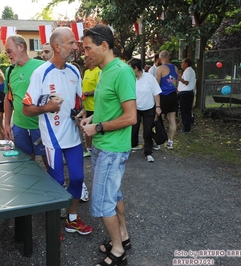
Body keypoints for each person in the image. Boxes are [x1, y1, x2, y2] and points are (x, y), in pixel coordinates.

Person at [22, 27, 93, 239]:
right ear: (57, 46)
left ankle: (72, 221)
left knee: (78, 178)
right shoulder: (40, 73)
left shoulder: (74, 71)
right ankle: (53, 224)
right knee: (56, 180)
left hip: (72, 134)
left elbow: (79, 102)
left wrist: (81, 112)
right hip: (52, 137)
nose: (75, 47)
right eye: (71, 43)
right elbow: (26, 108)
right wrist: (47, 108)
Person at [80, 24, 136, 266]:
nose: (85, 54)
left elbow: (131, 117)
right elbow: (109, 109)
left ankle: (117, 252)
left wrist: (98, 128)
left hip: (113, 148)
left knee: (103, 201)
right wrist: (92, 118)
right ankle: (122, 237)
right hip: (103, 146)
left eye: (87, 48)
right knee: (114, 194)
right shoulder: (104, 71)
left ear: (104, 46)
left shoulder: (122, 71)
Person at [3, 35, 48, 168]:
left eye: (9, 51)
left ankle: (57, 185)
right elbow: (8, 98)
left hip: (40, 125)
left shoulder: (42, 67)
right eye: (6, 52)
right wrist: (6, 124)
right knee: (26, 162)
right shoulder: (9, 70)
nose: (8, 55)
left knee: (48, 159)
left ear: (21, 47)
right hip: (19, 126)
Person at [127, 58, 162, 162]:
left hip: (148, 108)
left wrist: (158, 107)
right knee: (133, 128)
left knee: (147, 130)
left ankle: (148, 152)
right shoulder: (130, 78)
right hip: (135, 108)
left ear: (136, 68)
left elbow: (156, 93)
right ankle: (132, 146)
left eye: (130, 69)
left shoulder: (149, 78)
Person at [156, 50, 178, 149]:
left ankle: (158, 142)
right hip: (173, 95)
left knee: (157, 118)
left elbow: (156, 85)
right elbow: (175, 83)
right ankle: (170, 142)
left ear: (160, 59)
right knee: (172, 119)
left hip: (163, 95)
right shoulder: (175, 68)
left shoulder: (160, 68)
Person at [82, 57, 100, 158]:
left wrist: (87, 93)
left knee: (94, 128)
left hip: (94, 106)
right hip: (86, 106)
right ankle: (88, 148)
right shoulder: (86, 72)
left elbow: (98, 89)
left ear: (91, 60)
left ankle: (94, 149)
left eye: (86, 59)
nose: (84, 61)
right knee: (86, 128)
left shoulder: (98, 72)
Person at [177, 58, 196, 133]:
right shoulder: (189, 71)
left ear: (186, 64)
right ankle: (188, 123)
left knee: (185, 111)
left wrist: (179, 78)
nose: (181, 64)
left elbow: (186, 82)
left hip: (185, 93)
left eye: (182, 63)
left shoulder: (188, 70)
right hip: (187, 93)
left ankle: (186, 128)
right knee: (186, 110)